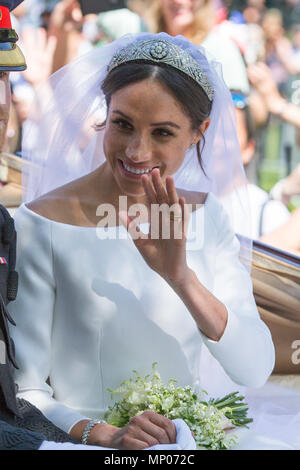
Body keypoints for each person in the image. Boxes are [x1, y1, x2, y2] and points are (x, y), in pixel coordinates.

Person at [5, 31, 284, 450]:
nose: (137, 151)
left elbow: (254, 368)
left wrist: (180, 277)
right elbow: (26, 395)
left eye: (163, 133)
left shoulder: (208, 215)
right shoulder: (40, 223)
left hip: (197, 439)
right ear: (106, 114)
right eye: (123, 125)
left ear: (198, 132)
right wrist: (106, 435)